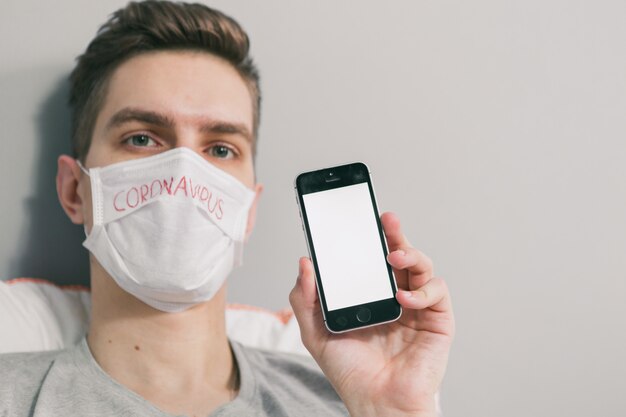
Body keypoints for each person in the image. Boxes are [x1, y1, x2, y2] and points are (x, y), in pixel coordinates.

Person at [0, 1, 455, 416]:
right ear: (75, 190)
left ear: (249, 211)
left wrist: (393, 410)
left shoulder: (344, 399)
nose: (183, 175)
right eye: (141, 138)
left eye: (220, 149)